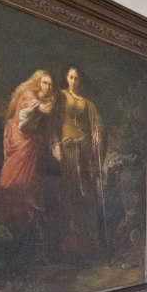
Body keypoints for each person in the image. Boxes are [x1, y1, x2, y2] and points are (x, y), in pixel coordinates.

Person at [0, 69, 60, 258]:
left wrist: (57, 148)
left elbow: (50, 129)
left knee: (31, 190)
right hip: (19, 143)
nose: (48, 87)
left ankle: (30, 245)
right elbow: (45, 110)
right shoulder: (29, 96)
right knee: (15, 186)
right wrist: (57, 99)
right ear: (38, 83)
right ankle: (10, 240)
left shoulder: (42, 100)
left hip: (30, 146)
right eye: (45, 83)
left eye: (51, 84)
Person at [56, 65, 107, 258]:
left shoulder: (88, 103)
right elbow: (52, 118)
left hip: (84, 152)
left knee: (85, 197)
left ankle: (88, 246)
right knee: (69, 195)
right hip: (67, 150)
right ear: (66, 78)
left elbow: (98, 125)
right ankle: (69, 247)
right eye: (70, 77)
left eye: (77, 78)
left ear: (81, 81)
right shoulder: (60, 97)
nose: (74, 81)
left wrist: (96, 136)